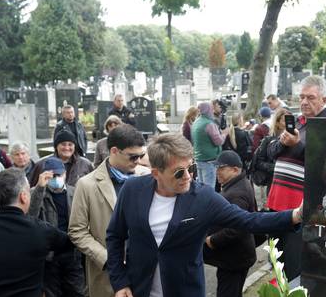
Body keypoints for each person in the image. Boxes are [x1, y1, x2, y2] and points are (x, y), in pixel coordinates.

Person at [105, 133, 303, 297]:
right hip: (139, 289)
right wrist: (120, 281)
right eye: (178, 172)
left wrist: (294, 215)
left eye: (191, 168)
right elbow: (114, 236)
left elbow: (249, 220)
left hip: (185, 291)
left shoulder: (203, 197)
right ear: (156, 173)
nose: (188, 177)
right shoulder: (132, 190)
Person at [266, 75, 326, 282]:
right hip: (277, 201)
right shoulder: (297, 122)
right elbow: (271, 152)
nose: (304, 102)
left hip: (301, 208)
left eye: (311, 98)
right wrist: (285, 143)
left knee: (296, 266)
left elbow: (323, 163)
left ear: (324, 100)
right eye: (301, 97)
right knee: (277, 261)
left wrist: (296, 144)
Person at [69, 124, 150, 297]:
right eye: (133, 156)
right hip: (107, 273)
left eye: (141, 156)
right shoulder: (86, 184)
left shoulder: (148, 176)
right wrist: (107, 259)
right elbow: (77, 231)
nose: (138, 161)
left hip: (146, 270)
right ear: (114, 151)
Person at [203, 150, 257, 297]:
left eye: (221, 168)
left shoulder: (237, 193)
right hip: (236, 256)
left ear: (235, 169)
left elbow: (238, 228)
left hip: (234, 259)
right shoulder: (238, 184)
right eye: (216, 167)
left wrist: (211, 240)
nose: (217, 172)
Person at [29, 157, 85, 297]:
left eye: (58, 175)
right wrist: (40, 187)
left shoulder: (75, 191)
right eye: (52, 176)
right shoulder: (37, 193)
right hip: (49, 255)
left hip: (73, 252)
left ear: (65, 173)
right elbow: (31, 216)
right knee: (52, 293)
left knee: (77, 292)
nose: (56, 179)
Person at [29, 130, 94, 188]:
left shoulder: (86, 164)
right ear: (56, 146)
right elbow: (32, 190)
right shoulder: (41, 165)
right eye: (63, 144)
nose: (67, 148)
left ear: (74, 146)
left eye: (70, 144)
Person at [192, 102, 228, 188]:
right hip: (209, 160)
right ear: (208, 110)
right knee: (209, 188)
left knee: (200, 186)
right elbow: (219, 141)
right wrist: (224, 134)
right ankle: (206, 201)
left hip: (199, 158)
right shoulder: (209, 124)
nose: (212, 111)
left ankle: (200, 201)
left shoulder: (196, 122)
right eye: (211, 109)